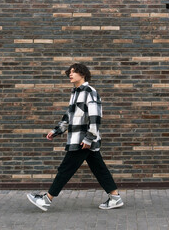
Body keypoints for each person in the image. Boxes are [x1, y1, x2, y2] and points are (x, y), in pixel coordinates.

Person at [27, 63, 123, 211]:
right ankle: (115, 197)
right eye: (69, 72)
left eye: (74, 72)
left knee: (65, 169)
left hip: (83, 141)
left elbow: (95, 117)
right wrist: (57, 130)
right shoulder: (76, 92)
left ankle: (46, 199)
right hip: (79, 139)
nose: (70, 74)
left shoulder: (90, 92)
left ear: (82, 74)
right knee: (99, 169)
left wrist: (89, 138)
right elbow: (69, 117)